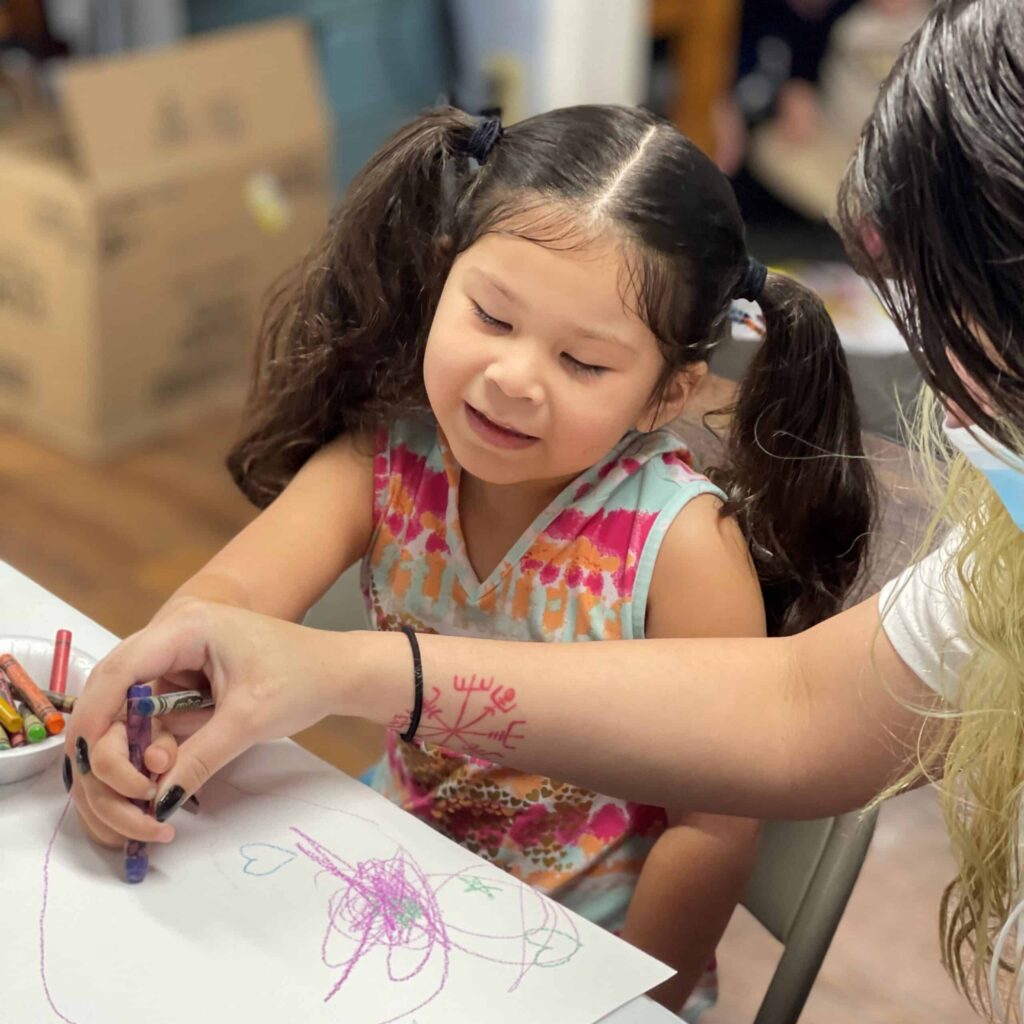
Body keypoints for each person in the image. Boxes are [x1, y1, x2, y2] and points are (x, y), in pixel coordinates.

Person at [65, 0, 1024, 1016]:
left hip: (584, 958)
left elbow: (718, 820)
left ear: (665, 394)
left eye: (581, 360)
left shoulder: (678, 545)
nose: (515, 379)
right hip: (385, 904)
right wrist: (140, 725)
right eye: (489, 315)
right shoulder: (386, 464)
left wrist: (632, 1001)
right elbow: (221, 614)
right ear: (441, 280)